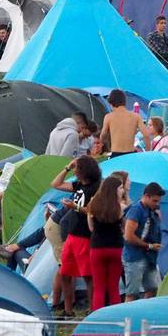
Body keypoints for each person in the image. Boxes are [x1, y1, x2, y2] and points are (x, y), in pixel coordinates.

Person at [50, 155, 102, 317]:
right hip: (72, 234)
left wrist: (75, 207)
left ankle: (92, 310)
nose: (75, 172)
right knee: (65, 272)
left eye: (77, 169)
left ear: (85, 171)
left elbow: (96, 212)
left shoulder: (96, 187)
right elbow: (55, 184)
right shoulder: (78, 185)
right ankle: (68, 310)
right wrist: (67, 167)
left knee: (88, 276)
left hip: (85, 236)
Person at [86, 175, 126, 312]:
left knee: (99, 287)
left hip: (97, 247)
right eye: (120, 188)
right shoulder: (120, 207)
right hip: (115, 248)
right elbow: (124, 229)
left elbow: (90, 227)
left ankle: (98, 316)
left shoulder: (93, 205)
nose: (122, 190)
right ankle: (115, 317)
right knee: (113, 287)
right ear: (114, 190)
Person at [123, 182, 165, 301]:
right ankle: (128, 317)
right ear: (146, 196)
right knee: (132, 293)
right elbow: (128, 236)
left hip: (149, 257)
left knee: (152, 289)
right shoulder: (136, 210)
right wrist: (149, 246)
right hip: (135, 257)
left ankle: (145, 315)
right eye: (155, 201)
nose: (157, 204)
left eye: (158, 201)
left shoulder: (153, 210)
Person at [99, 89, 150, 156]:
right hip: (131, 153)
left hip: (116, 153)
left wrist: (101, 144)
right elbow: (146, 135)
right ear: (124, 102)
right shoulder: (136, 116)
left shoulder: (109, 117)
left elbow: (103, 135)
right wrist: (148, 151)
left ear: (111, 103)